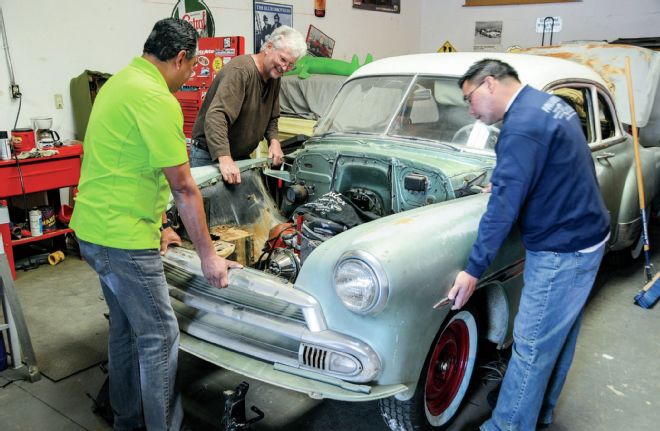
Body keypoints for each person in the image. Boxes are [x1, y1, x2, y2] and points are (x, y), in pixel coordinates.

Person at [70, 18, 241, 431]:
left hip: (93, 231)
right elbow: (183, 187)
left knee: (127, 330)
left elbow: (131, 165)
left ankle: (127, 420)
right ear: (180, 58)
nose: (191, 74)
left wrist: (160, 223)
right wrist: (209, 258)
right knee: (161, 338)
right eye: (193, 66)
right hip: (122, 241)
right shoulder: (156, 98)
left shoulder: (120, 82)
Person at [448, 59, 610, 431]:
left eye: (470, 99)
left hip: (562, 248)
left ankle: (507, 425)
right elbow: (551, 163)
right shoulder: (545, 103)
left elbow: (501, 212)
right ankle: (539, 412)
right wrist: (509, 179)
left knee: (532, 344)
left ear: (489, 84)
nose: (472, 112)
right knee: (559, 335)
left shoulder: (520, 128)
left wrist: (473, 269)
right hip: (587, 235)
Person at [189, 25, 307, 184]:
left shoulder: (274, 77)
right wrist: (224, 158)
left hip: (237, 156)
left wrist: (274, 141)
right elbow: (216, 116)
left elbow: (272, 116)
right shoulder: (241, 70)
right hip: (210, 155)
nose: (285, 68)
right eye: (283, 59)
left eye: (291, 64)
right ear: (269, 47)